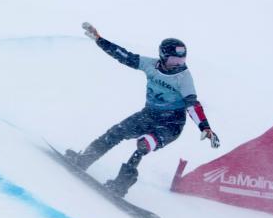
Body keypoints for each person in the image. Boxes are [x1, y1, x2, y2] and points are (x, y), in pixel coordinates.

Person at [65, 23, 221, 197]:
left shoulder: (184, 77)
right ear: (162, 56)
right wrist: (99, 40)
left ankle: (120, 186)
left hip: (171, 124)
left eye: (182, 61)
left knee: (143, 145)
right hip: (149, 115)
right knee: (115, 133)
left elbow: (192, 105)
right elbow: (125, 56)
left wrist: (205, 127)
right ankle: (83, 160)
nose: (178, 64)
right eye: (174, 60)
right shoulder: (150, 64)